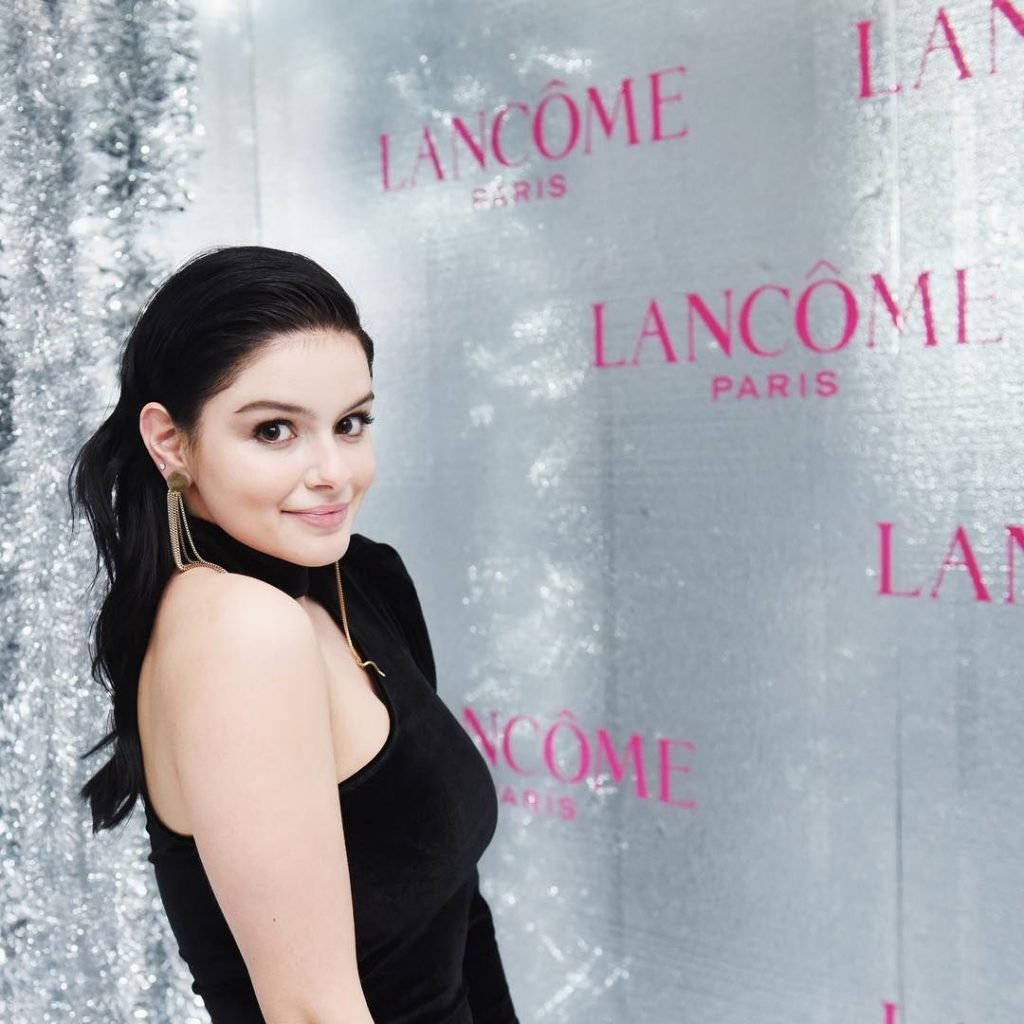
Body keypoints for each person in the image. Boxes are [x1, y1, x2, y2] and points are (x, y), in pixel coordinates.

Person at [69, 245, 519, 1024]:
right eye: (275, 430)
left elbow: (459, 916)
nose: (333, 472)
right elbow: (311, 1011)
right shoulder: (239, 631)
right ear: (171, 442)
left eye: (351, 423)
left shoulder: (359, 579)